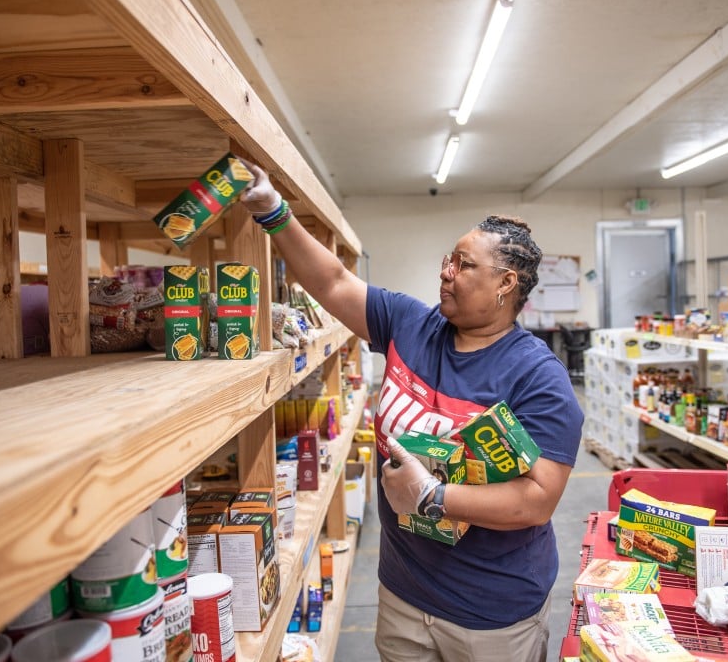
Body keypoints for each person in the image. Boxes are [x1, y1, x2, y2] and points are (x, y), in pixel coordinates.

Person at [238, 161, 584, 662]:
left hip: (491, 612)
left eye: (464, 265)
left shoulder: (538, 378)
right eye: (449, 259)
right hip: (403, 591)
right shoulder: (411, 325)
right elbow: (333, 282)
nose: (446, 272)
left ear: (506, 283)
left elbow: (536, 500)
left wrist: (431, 495)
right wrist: (274, 212)